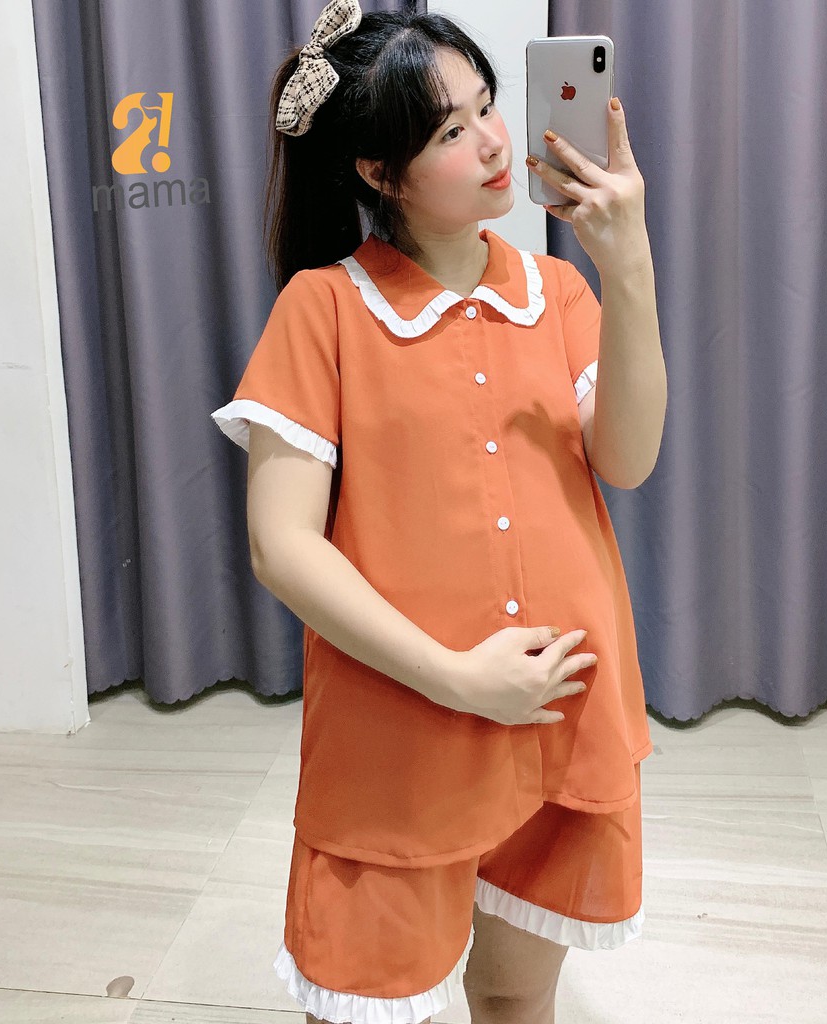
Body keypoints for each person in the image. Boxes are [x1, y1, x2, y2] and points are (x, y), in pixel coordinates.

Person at [211, 1, 667, 1021]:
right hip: (399, 740)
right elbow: (281, 546)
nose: (495, 141)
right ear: (381, 173)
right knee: (363, 1001)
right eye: (451, 130)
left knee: (513, 999)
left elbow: (628, 459)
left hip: (560, 714)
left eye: (487, 106)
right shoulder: (324, 309)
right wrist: (460, 679)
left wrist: (627, 266)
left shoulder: (557, 294)